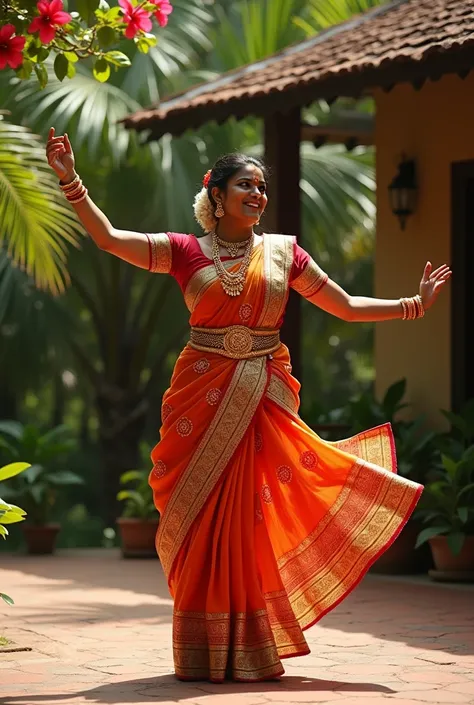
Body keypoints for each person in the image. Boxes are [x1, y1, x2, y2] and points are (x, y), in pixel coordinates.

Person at [46, 127, 451, 683]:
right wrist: (71, 180)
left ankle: (252, 644)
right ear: (216, 194)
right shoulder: (185, 251)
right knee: (204, 520)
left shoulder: (285, 253)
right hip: (200, 398)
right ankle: (204, 648)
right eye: (245, 184)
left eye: (262, 187)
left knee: (251, 519)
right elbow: (112, 239)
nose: (258, 194)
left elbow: (348, 307)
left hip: (260, 399)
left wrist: (412, 305)